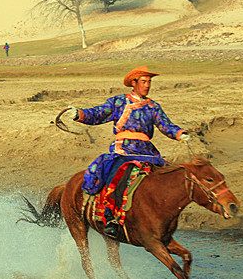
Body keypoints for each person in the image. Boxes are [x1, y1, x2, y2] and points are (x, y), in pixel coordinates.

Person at [68, 66, 190, 236]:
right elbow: (98, 114)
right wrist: (79, 114)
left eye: (149, 82)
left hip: (147, 152)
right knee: (115, 176)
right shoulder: (118, 102)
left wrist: (179, 134)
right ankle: (109, 216)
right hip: (123, 149)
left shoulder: (153, 107)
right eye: (144, 82)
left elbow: (165, 125)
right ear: (134, 83)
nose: (147, 85)